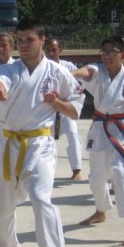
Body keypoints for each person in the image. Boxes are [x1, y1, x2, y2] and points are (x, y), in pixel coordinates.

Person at [0, 17, 84, 247]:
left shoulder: (57, 73)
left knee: (41, 198)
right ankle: (5, 242)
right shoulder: (11, 70)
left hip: (40, 145)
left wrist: (58, 103)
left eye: (30, 40)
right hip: (9, 144)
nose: (24, 45)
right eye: (21, 40)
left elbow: (74, 109)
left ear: (42, 41)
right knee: (3, 200)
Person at [73, 35, 124, 247]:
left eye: (111, 51)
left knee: (122, 171)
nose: (106, 56)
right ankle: (100, 211)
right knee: (96, 177)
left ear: (123, 54)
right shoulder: (99, 72)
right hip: (100, 127)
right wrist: (69, 73)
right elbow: (87, 72)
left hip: (123, 127)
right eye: (103, 51)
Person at [44, 38, 84, 180]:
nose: (50, 52)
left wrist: (62, 99)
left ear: (60, 50)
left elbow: (78, 89)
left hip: (65, 110)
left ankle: (76, 169)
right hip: (47, 112)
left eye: (53, 49)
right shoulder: (41, 66)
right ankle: (46, 171)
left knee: (73, 134)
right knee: (48, 140)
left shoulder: (68, 67)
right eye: (47, 49)